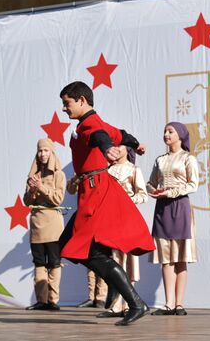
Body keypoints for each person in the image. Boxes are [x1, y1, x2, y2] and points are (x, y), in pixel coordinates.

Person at [58, 81, 154, 326]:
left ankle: (135, 303)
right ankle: (117, 290)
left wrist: (109, 148)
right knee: (68, 245)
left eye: (67, 103)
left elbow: (102, 137)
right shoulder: (94, 122)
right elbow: (120, 133)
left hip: (96, 190)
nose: (64, 109)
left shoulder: (90, 124)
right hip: (91, 190)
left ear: (81, 100)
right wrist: (135, 144)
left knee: (92, 252)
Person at [147, 122, 199, 316]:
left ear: (181, 135)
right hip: (162, 209)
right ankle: (168, 303)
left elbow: (193, 184)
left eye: (170, 131)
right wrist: (155, 191)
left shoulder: (188, 158)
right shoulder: (160, 160)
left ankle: (179, 304)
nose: (166, 134)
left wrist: (172, 192)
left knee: (180, 258)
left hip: (180, 207)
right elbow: (150, 183)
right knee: (166, 259)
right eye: (165, 131)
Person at [98, 145, 148, 318]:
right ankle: (117, 306)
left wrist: (125, 200)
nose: (116, 149)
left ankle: (129, 304)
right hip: (110, 219)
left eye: (120, 145)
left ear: (127, 149)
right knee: (114, 258)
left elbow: (143, 195)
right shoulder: (107, 170)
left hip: (127, 218)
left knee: (129, 261)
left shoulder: (134, 170)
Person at [23, 138, 66, 311]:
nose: (42, 154)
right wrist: (32, 190)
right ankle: (41, 300)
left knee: (54, 263)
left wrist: (41, 187)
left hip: (54, 224)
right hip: (36, 223)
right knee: (39, 263)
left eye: (46, 150)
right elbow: (27, 201)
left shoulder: (59, 174)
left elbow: (57, 199)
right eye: (40, 151)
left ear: (52, 153)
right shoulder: (33, 176)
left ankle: (53, 300)